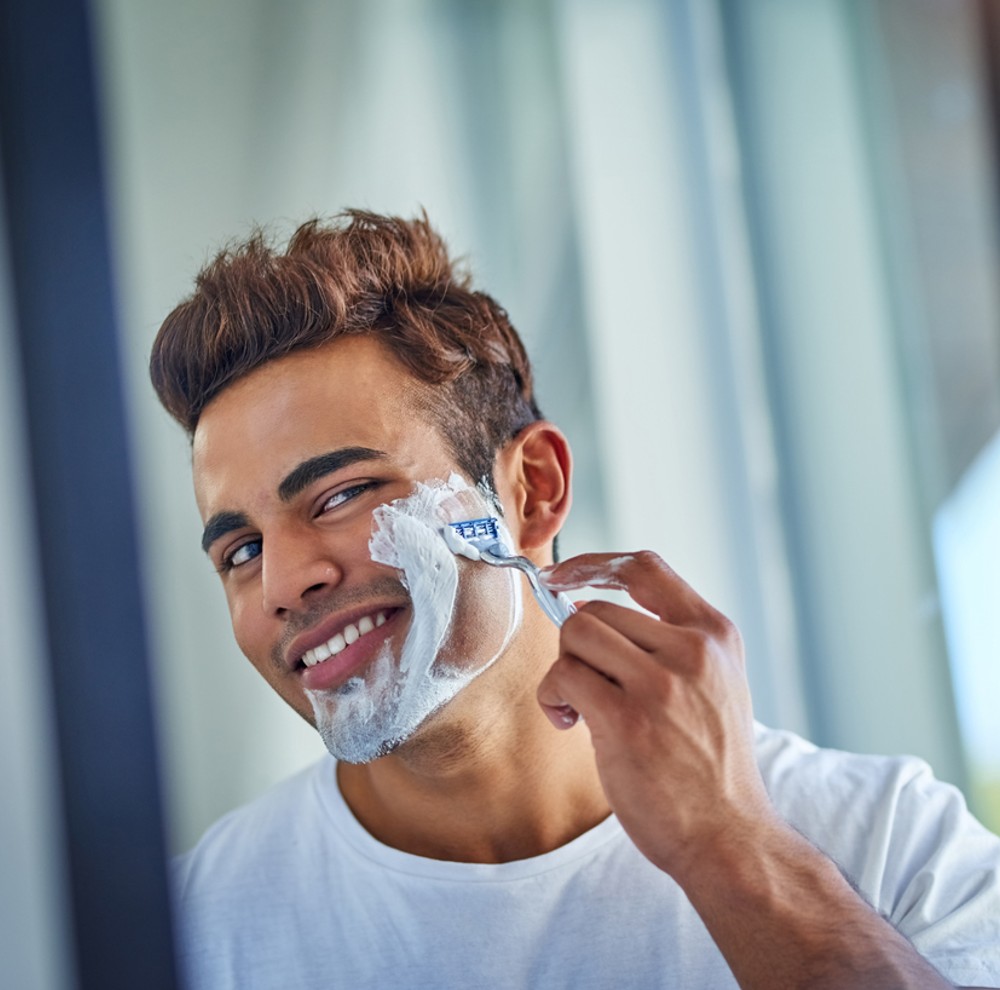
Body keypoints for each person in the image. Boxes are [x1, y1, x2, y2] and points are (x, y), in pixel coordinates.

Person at [151, 210, 1000, 989]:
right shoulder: (186, 937)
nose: (283, 581)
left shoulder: (892, 844)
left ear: (532, 489)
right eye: (241, 549)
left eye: (340, 494)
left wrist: (729, 845)